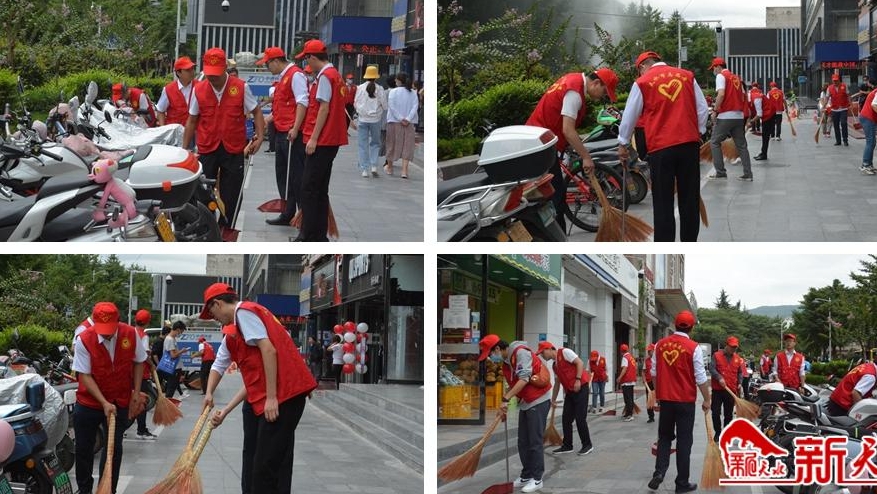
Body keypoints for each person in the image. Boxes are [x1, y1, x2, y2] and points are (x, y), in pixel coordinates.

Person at [200, 282, 317, 494]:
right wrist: (211, 396)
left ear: (217, 304)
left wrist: (271, 398)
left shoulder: (243, 312)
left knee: (265, 469)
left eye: (212, 312)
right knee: (264, 465)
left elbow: (270, 351)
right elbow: (240, 375)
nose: (215, 318)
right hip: (283, 394)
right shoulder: (249, 317)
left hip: (284, 395)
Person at [618, 51, 708, 241]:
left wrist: (623, 142)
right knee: (690, 199)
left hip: (661, 149)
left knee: (663, 201)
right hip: (688, 145)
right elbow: (702, 109)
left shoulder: (642, 82)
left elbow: (629, 116)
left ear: (642, 66)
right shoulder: (687, 76)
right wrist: (698, 132)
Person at [183, 47, 265, 241]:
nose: (212, 78)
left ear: (225, 68)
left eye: (216, 74)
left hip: (233, 147)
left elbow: (257, 112)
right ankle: (207, 226)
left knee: (232, 192)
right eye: (209, 74)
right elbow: (192, 120)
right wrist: (185, 149)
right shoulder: (199, 89)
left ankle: (227, 228)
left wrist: (260, 136)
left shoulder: (240, 87)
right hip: (207, 147)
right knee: (203, 190)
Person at [527, 67, 618, 232]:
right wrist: (586, 157)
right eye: (604, 92)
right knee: (555, 197)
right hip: (540, 146)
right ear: (596, 83)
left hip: (542, 142)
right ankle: (555, 239)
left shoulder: (571, 79)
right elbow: (568, 130)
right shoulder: (574, 92)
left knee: (554, 194)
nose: (602, 97)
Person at [72, 302, 146, 494]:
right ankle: (84, 490)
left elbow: (139, 361)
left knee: (114, 448)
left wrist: (136, 392)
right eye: (102, 330)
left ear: (118, 321)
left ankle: (107, 490)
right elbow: (84, 375)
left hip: (119, 400)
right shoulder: (84, 339)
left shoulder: (130, 334)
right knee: (84, 449)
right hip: (88, 402)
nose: (106, 334)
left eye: (110, 329)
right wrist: (103, 402)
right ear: (94, 323)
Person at [648, 310, 711, 493]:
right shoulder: (694, 347)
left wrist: (658, 394)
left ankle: (659, 472)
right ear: (691, 328)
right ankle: (681, 483)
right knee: (684, 441)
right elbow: (700, 377)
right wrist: (707, 399)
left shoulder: (660, 345)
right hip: (685, 402)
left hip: (666, 400)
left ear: (675, 325)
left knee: (664, 437)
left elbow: (653, 373)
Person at [478, 334, 550, 493]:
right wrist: (505, 404)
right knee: (523, 441)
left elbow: (524, 379)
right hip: (526, 402)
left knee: (534, 441)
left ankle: (537, 478)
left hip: (538, 400)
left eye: (490, 354)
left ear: (498, 349)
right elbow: (513, 384)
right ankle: (526, 475)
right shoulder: (506, 363)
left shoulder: (521, 353)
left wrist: (506, 399)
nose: (491, 358)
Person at [295, 39, 348, 242]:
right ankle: (318, 234)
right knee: (319, 189)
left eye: (306, 58)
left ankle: (308, 234)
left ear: (312, 57)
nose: (306, 62)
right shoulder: (335, 75)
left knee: (308, 188)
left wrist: (314, 139)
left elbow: (324, 109)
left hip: (323, 140)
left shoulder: (326, 77)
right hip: (331, 140)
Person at [258, 46, 309, 227]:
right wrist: (267, 120)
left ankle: (303, 216)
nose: (267, 69)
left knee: (296, 176)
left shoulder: (296, 75)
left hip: (291, 135)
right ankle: (287, 212)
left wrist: (295, 128)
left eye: (267, 65)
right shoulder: (283, 77)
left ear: (276, 61)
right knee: (283, 175)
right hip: (281, 132)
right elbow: (282, 106)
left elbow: (302, 102)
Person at [536, 341, 594, 456]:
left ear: (549, 349)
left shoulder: (565, 352)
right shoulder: (555, 365)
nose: (542, 355)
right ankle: (567, 445)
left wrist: (578, 380)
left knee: (580, 418)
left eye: (542, 353)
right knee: (566, 419)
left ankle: (587, 445)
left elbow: (580, 363)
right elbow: (557, 383)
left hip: (581, 387)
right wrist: (553, 399)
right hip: (570, 392)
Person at [705, 57, 753, 182]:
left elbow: (721, 94)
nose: (713, 71)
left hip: (726, 115)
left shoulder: (721, 76)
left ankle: (720, 172)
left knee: (714, 142)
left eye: (713, 68)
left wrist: (715, 110)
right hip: (738, 115)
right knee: (741, 145)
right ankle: (748, 174)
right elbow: (743, 96)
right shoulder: (737, 78)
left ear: (718, 67)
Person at [709, 336, 744, 442]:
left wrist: (740, 383)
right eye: (732, 347)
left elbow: (740, 372)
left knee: (728, 414)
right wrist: (719, 378)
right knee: (715, 412)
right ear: (726, 345)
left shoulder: (737, 358)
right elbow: (711, 368)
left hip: (731, 390)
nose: (733, 349)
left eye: (735, 347)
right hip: (717, 390)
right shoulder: (716, 355)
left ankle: (726, 433)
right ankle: (718, 432)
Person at [354, 65, 386, 178]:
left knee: (362, 144)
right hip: (375, 120)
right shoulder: (380, 89)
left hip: (363, 119)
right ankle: (374, 166)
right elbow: (385, 105)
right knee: (375, 143)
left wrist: (360, 112)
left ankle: (364, 169)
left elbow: (355, 103)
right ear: (376, 77)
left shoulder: (360, 88)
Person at [385, 73, 419, 179]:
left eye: (396, 79)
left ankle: (390, 167)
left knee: (391, 144)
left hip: (394, 121)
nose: (395, 81)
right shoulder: (413, 93)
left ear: (399, 80)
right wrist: (407, 119)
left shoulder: (393, 92)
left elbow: (392, 106)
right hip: (409, 123)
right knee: (407, 146)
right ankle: (404, 171)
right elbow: (415, 107)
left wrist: (400, 118)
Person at [131, 309, 157, 440]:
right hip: (141, 374)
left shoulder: (130, 332)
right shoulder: (143, 336)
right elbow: (145, 355)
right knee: (143, 401)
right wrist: (152, 365)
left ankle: (121, 428)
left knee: (128, 401)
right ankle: (141, 430)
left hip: (128, 373)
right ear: (147, 323)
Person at [156, 56, 198, 127]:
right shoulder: (168, 90)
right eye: (188, 70)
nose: (192, 72)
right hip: (175, 131)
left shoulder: (200, 87)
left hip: (195, 130)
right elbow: (160, 111)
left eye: (192, 69)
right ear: (178, 73)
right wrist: (163, 129)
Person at [159, 321, 190, 399]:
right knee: (170, 390)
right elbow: (172, 355)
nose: (181, 334)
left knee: (171, 388)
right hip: (173, 368)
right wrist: (182, 351)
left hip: (175, 368)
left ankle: (168, 403)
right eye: (181, 331)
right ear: (178, 329)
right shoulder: (170, 339)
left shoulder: (172, 339)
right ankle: (167, 404)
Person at [749, 86, 776, 161]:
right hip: (767, 113)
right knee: (764, 135)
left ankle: (764, 154)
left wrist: (751, 122)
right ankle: (763, 152)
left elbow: (759, 114)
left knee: (765, 136)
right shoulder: (752, 96)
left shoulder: (756, 98)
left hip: (769, 114)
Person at [858, 85, 877, 175]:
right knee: (870, 141)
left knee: (872, 142)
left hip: (868, 118)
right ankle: (865, 165)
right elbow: (874, 105)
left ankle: (869, 164)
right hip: (868, 118)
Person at [828, 73, 851, 146]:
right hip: (834, 109)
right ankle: (838, 141)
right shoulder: (829, 88)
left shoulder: (844, 86)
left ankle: (845, 140)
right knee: (836, 125)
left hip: (843, 108)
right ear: (832, 80)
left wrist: (850, 103)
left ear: (839, 80)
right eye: (834, 80)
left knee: (843, 123)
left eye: (836, 80)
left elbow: (848, 95)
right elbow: (827, 98)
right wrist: (824, 106)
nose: (835, 82)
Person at [616, 343, 637, 422]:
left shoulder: (625, 358)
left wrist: (619, 377)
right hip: (631, 380)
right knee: (630, 398)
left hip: (626, 380)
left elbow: (624, 368)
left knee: (627, 399)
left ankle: (629, 415)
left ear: (621, 351)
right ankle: (628, 413)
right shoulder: (631, 357)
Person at [643, 343, 656, 423]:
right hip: (649, 382)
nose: (648, 352)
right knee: (649, 399)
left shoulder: (658, 359)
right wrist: (644, 379)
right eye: (648, 351)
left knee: (659, 399)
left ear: (654, 351)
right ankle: (651, 416)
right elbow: (643, 371)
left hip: (657, 383)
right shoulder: (646, 360)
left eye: (649, 351)